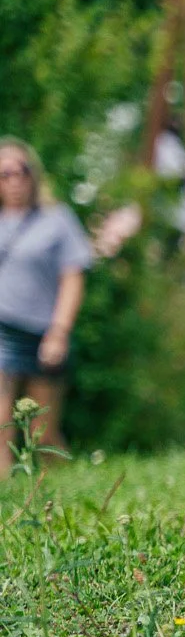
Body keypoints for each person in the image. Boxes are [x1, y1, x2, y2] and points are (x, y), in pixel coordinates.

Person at [0, 138, 92, 475]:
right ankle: (6, 514)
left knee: (42, 434)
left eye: (19, 172)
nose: (12, 181)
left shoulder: (56, 219)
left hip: (41, 332)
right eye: (3, 174)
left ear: (32, 175)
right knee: (1, 428)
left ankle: (75, 496)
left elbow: (73, 277)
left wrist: (59, 331)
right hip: (2, 329)